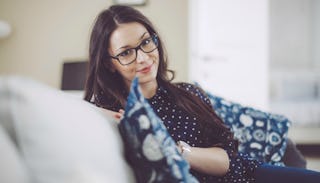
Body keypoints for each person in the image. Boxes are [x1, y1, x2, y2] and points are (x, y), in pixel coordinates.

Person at [84, 5, 320, 183]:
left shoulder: (188, 94)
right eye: (126, 53)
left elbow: (227, 160)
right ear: (108, 63)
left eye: (146, 42)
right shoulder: (112, 112)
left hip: (247, 174)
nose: (143, 57)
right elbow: (86, 113)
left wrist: (177, 151)